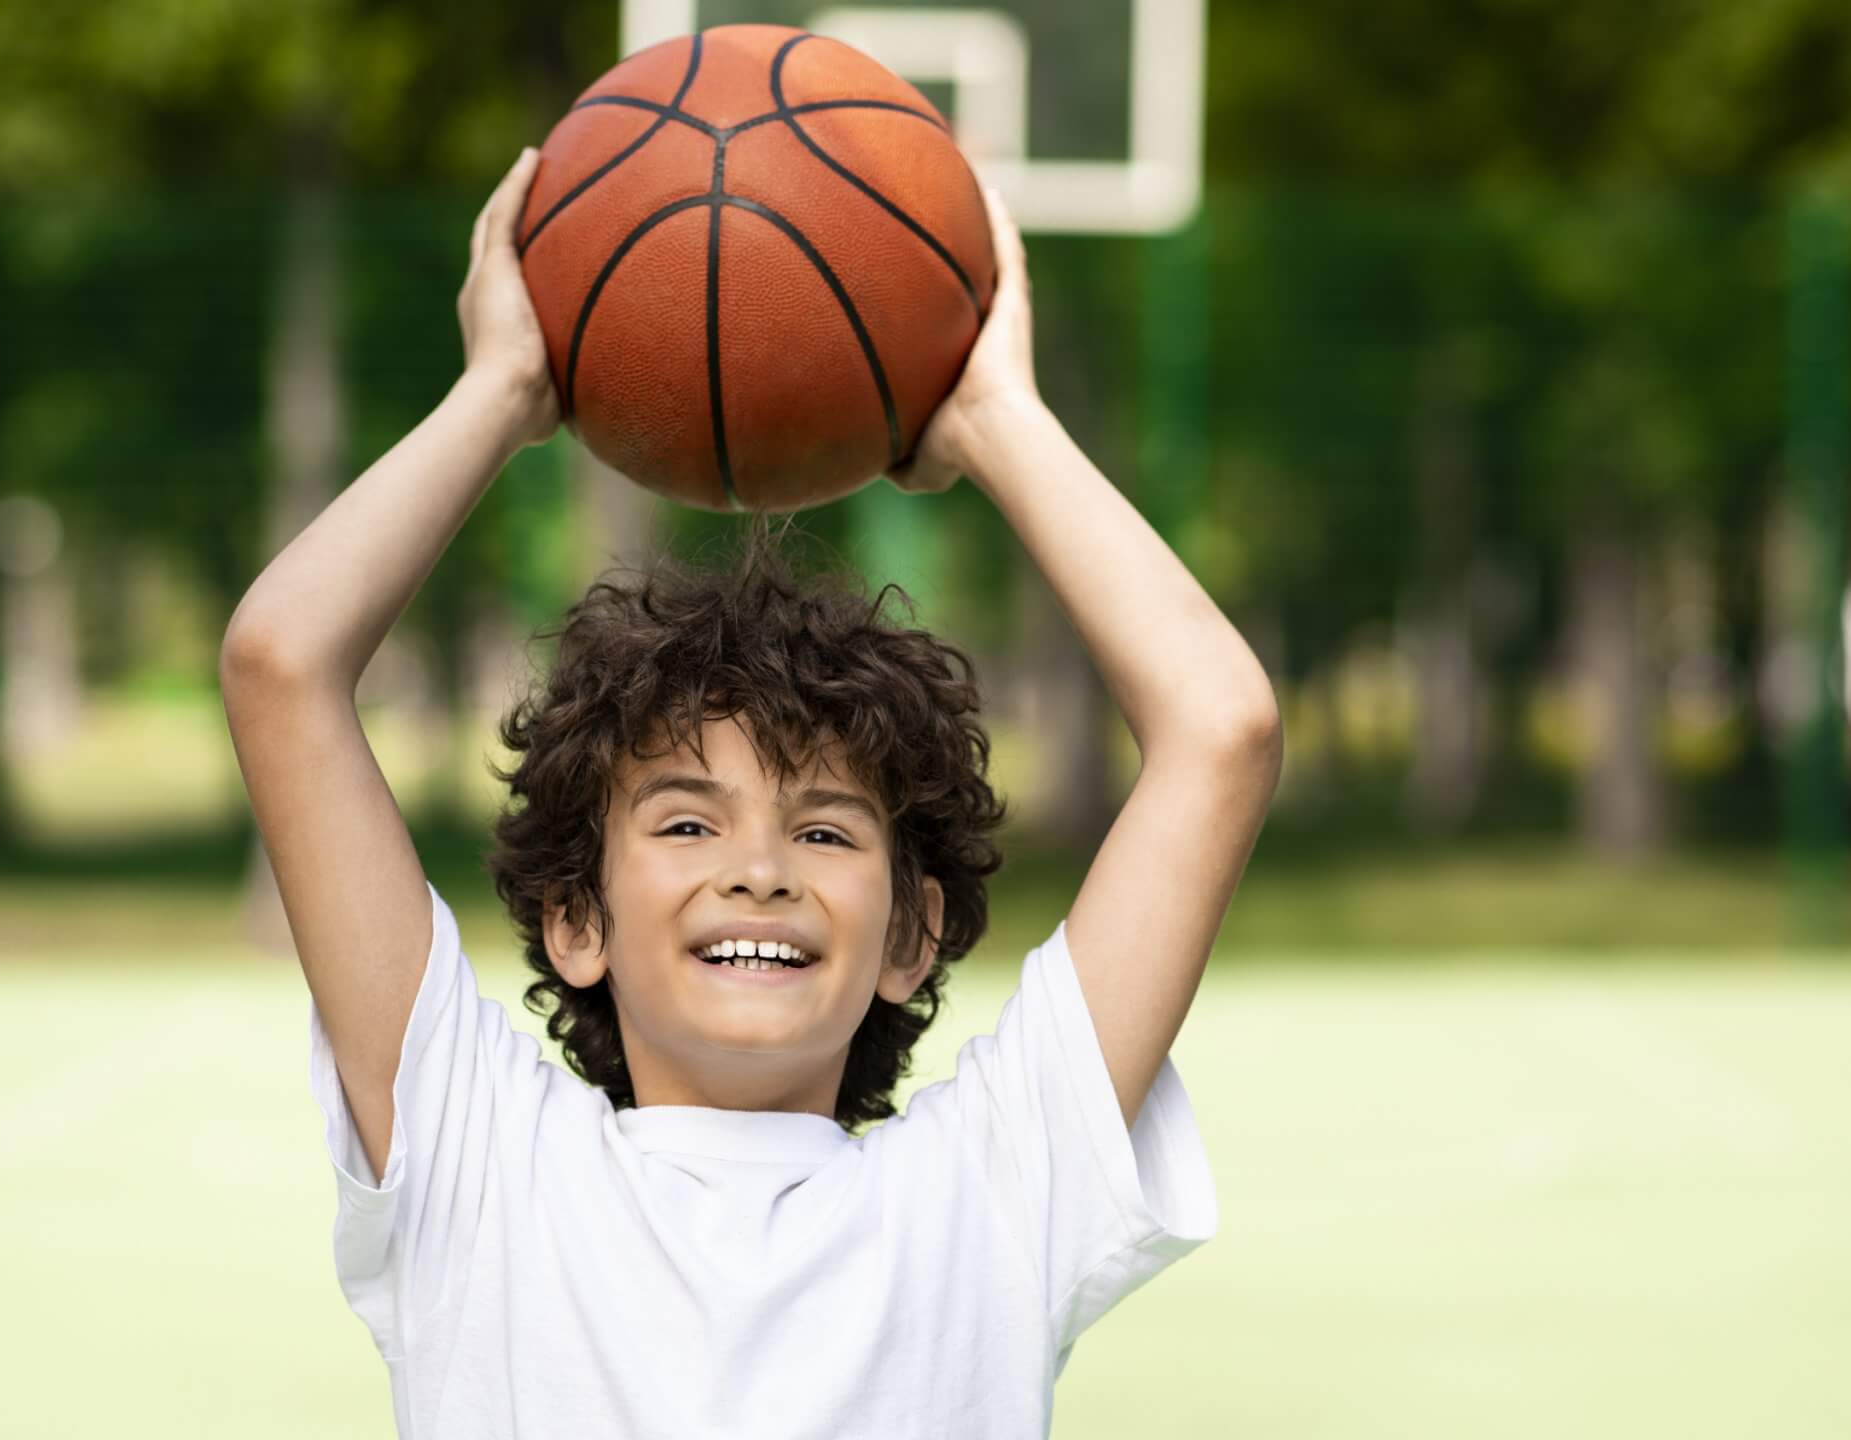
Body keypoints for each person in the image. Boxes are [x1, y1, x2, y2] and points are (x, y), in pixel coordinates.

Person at [220, 145, 1282, 1438]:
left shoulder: (996, 1189)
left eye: (825, 829)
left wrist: (998, 415)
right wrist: (502, 388)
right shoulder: (479, 1159)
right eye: (684, 821)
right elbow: (281, 665)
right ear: (577, 922)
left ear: (910, 933)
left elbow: (1221, 728)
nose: (758, 867)